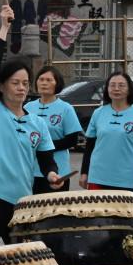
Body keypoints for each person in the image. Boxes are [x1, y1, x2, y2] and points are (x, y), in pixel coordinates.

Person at [0, 4, 61, 250]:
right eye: (15, 82)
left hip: (21, 203)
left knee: (25, 264)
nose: (21, 87)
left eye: (25, 83)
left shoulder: (37, 122)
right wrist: (4, 29)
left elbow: (47, 159)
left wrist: (52, 175)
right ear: (2, 86)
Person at [79, 71, 133, 193]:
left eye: (121, 85)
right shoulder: (98, 113)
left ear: (129, 89)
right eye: (112, 85)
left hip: (127, 179)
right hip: (98, 177)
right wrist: (84, 173)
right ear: (107, 89)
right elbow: (89, 146)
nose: (116, 88)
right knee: (97, 212)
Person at [29, 65, 82, 193]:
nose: (44, 83)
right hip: (30, 170)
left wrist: (43, 147)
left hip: (57, 171)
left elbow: (72, 140)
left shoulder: (65, 108)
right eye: (41, 79)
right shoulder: (28, 107)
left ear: (57, 84)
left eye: (49, 80)